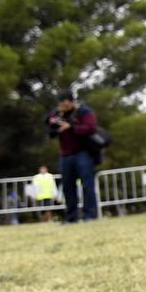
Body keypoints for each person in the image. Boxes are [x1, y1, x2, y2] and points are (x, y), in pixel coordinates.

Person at [46, 90, 98, 223]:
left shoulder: (83, 111)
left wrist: (71, 127)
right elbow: (49, 124)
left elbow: (91, 128)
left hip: (83, 153)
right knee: (68, 187)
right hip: (65, 155)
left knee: (87, 185)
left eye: (64, 102)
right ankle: (71, 217)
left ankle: (89, 216)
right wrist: (57, 119)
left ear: (69, 101)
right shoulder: (58, 114)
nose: (62, 105)